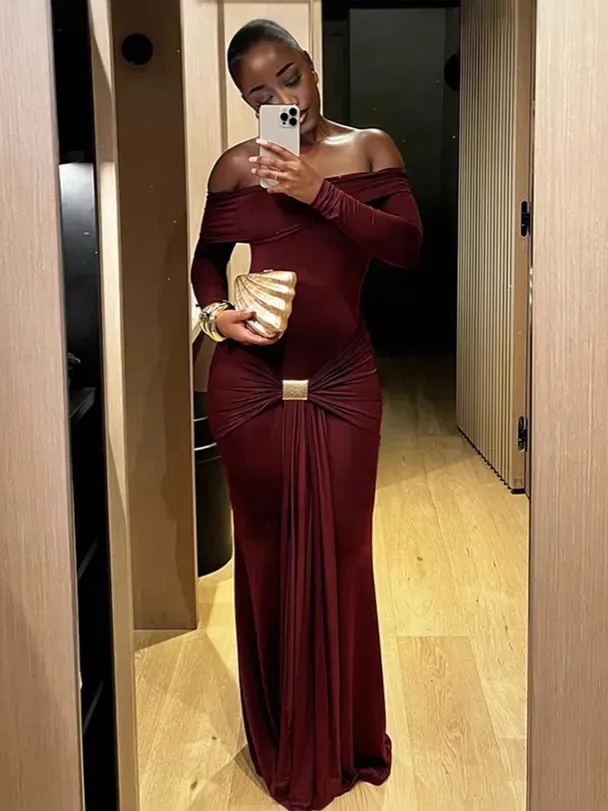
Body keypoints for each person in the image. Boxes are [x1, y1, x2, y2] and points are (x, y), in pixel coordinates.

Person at [191, 19, 423, 811]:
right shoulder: (235, 169)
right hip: (248, 389)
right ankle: (282, 735)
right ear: (245, 101)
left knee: (345, 554)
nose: (282, 99)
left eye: (289, 77)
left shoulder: (369, 150)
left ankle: (347, 738)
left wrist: (314, 192)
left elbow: (405, 245)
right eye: (259, 93)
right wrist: (215, 316)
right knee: (264, 557)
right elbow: (205, 263)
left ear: (312, 68)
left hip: (343, 383)